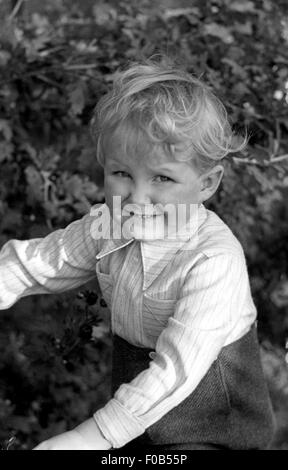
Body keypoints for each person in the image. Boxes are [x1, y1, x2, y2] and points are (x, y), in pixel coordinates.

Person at [0, 58, 275, 450]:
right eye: (121, 173)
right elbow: (39, 263)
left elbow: (176, 369)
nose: (137, 197)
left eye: (162, 177)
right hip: (138, 408)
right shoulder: (107, 225)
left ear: (206, 183)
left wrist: (90, 435)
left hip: (213, 424)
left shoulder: (213, 260)